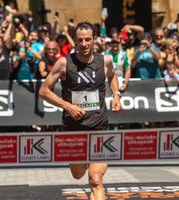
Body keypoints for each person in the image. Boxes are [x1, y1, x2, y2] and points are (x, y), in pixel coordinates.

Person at [39, 21, 122, 200]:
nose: (83, 44)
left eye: (87, 40)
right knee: (77, 174)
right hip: (73, 129)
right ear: (75, 41)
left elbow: (112, 75)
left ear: (94, 40)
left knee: (96, 179)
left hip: (99, 127)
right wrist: (68, 106)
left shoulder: (105, 60)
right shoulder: (64, 63)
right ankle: (84, 160)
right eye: (79, 40)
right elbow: (44, 91)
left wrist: (116, 94)